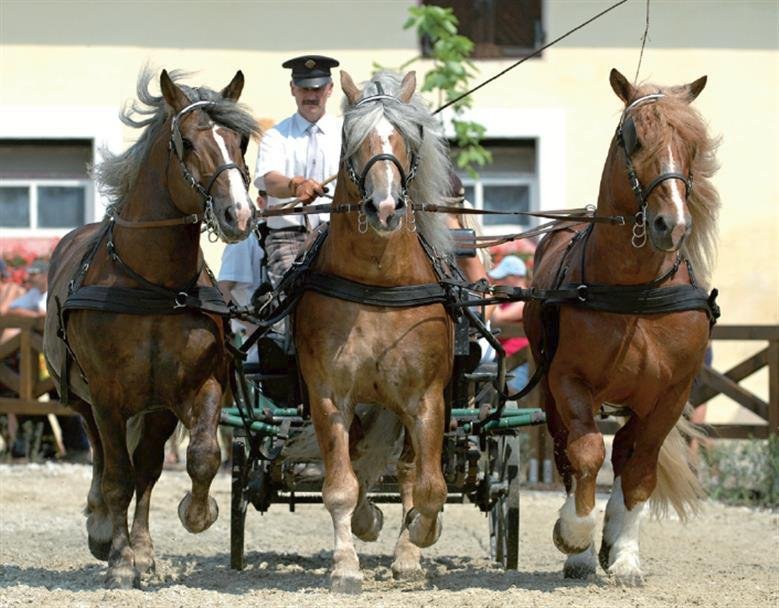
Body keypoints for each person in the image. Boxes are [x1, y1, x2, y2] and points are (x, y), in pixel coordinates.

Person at [254, 54, 342, 288]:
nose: (311, 96)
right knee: (296, 289)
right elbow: (269, 181)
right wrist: (296, 186)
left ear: (330, 89)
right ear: (292, 89)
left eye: (318, 89)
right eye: (304, 89)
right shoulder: (275, 136)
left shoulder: (348, 134)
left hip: (340, 233)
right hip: (288, 236)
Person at [488, 255, 531, 394]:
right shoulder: (510, 301)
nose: (497, 281)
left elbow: (497, 319)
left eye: (502, 278)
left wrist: (490, 295)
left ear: (515, 278)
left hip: (519, 362)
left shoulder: (523, 302)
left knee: (512, 395)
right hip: (505, 361)